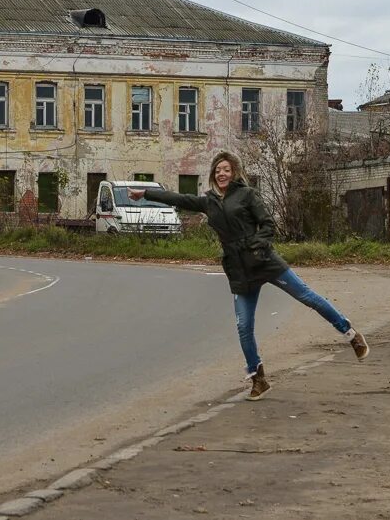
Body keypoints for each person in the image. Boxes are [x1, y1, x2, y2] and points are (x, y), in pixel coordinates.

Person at [129, 151, 369, 401]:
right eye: (218, 170)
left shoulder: (247, 194)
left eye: (226, 169)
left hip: (264, 261)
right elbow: (177, 198)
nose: (222, 173)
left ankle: (352, 336)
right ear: (213, 174)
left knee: (307, 296)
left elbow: (267, 225)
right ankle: (258, 378)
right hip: (238, 269)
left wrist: (257, 247)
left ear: (234, 172)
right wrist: (146, 194)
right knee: (244, 326)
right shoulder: (209, 202)